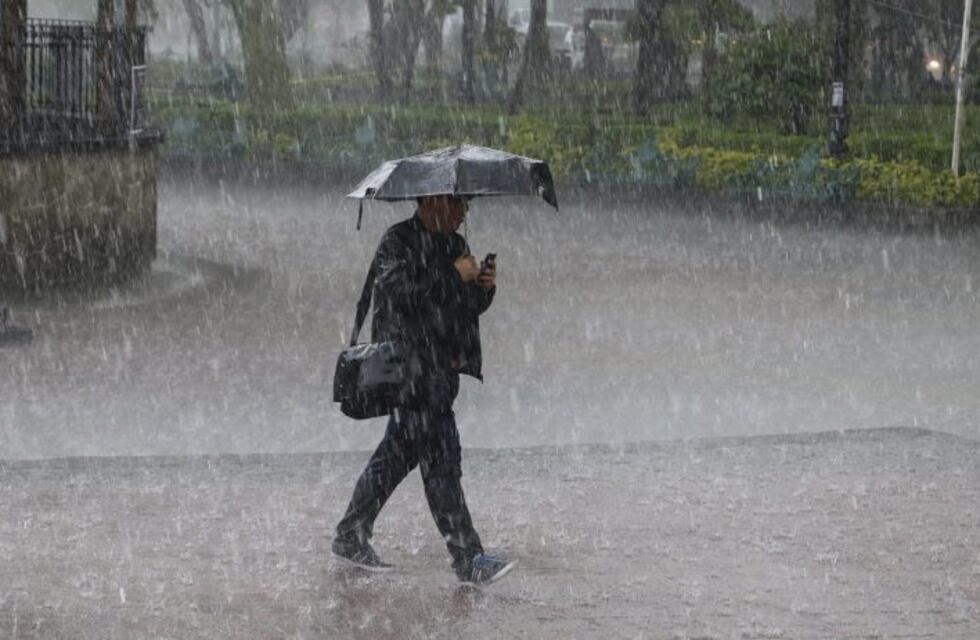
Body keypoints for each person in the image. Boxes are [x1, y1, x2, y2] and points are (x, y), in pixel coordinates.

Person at [332, 194, 515, 586]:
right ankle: (468, 557)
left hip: (441, 372)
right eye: (458, 204)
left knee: (395, 457)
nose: (464, 213)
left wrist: (482, 289)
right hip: (412, 374)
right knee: (442, 463)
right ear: (433, 202)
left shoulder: (456, 244)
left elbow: (461, 306)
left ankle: (351, 534)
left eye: (466, 206)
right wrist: (452, 275)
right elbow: (399, 296)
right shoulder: (397, 242)